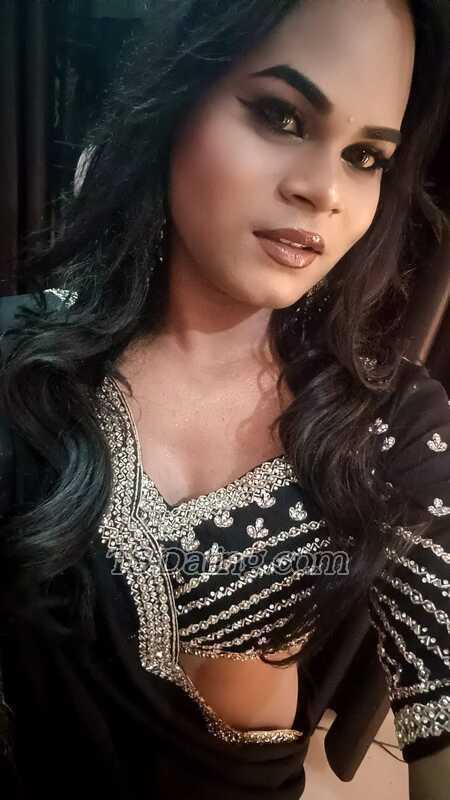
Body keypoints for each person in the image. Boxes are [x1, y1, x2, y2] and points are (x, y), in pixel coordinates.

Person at [0, 0, 450, 797]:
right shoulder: (22, 357)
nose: (324, 190)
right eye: (281, 115)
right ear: (176, 100)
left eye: (365, 157)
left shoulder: (390, 426)